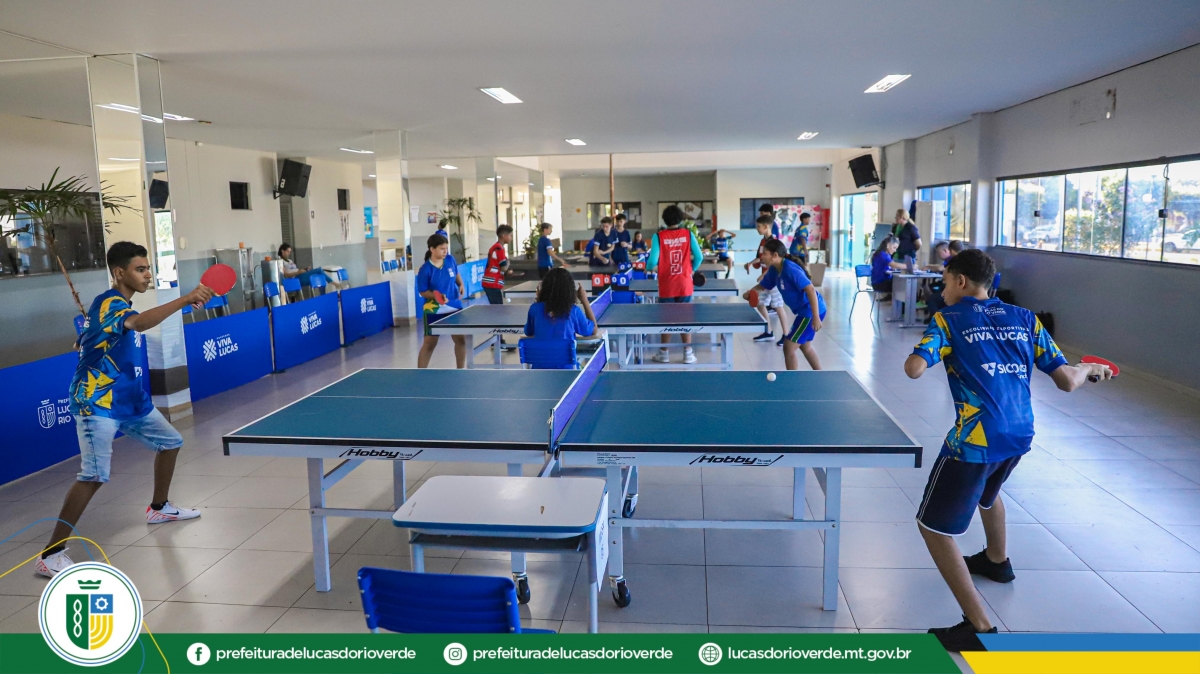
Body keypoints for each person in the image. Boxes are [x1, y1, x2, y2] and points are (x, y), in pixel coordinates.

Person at [904, 249, 1112, 652]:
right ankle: (997, 561)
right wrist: (1089, 368)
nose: (942, 290)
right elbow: (1067, 381)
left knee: (933, 527)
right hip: (1019, 434)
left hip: (974, 441)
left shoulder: (948, 319)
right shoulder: (1025, 318)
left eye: (945, 282)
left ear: (961, 281)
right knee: (989, 492)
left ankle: (979, 627)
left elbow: (913, 369)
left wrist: (925, 351)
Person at [37, 242, 214, 577]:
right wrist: (185, 298)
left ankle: (159, 507)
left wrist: (85, 341)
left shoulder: (115, 306)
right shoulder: (111, 301)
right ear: (120, 273)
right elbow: (139, 324)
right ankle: (51, 554)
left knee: (171, 442)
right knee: (94, 475)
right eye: (140, 269)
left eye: (148, 269)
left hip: (130, 399)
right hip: (97, 402)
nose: (148, 275)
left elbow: (94, 337)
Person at [744, 239, 825, 371]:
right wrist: (751, 293)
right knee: (805, 346)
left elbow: (810, 289)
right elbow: (762, 286)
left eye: (765, 253)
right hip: (805, 311)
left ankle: (791, 380)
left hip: (810, 311)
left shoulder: (790, 269)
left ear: (775, 255)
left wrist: (815, 317)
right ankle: (820, 374)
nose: (762, 257)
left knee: (788, 347)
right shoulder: (774, 270)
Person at [647, 204, 703, 364]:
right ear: (680, 219)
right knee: (685, 318)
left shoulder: (658, 236)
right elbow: (699, 257)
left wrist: (649, 267)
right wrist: (691, 270)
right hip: (685, 283)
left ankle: (664, 353)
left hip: (667, 284)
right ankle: (688, 353)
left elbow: (652, 261)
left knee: (667, 319)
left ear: (664, 219)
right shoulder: (688, 234)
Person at [416, 234, 467, 368]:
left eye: (446, 248)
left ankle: (461, 370)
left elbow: (456, 272)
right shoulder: (425, 269)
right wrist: (436, 296)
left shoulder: (450, 259)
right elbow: (422, 291)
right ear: (432, 249)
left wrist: (461, 284)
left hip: (454, 306)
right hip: (434, 309)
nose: (445, 251)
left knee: (460, 340)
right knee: (430, 343)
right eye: (442, 249)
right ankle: (420, 374)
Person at [743, 215, 787, 343]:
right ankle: (768, 332)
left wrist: (765, 274)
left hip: (774, 279)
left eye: (758, 226)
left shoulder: (774, 242)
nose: (757, 229)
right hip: (767, 281)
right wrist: (750, 263)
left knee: (778, 307)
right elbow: (761, 257)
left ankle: (786, 335)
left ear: (766, 226)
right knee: (760, 303)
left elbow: (776, 261)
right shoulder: (763, 241)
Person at [524, 267, 599, 341]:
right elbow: (594, 330)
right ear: (570, 289)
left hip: (540, 350)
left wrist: (539, 299)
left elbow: (529, 332)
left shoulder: (534, 309)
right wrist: (585, 300)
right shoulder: (574, 311)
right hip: (566, 350)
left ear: (544, 288)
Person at [925, 240, 965, 317]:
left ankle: (937, 320)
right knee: (932, 290)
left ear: (951, 251)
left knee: (932, 299)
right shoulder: (965, 259)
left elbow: (943, 269)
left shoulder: (955, 260)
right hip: (959, 287)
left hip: (955, 289)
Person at [482, 225, 514, 305]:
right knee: (498, 309)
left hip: (491, 283)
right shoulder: (499, 248)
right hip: (492, 283)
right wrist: (508, 263)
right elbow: (503, 268)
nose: (511, 238)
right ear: (504, 236)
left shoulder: (496, 247)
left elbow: (497, 266)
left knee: (497, 308)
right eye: (510, 236)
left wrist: (506, 272)